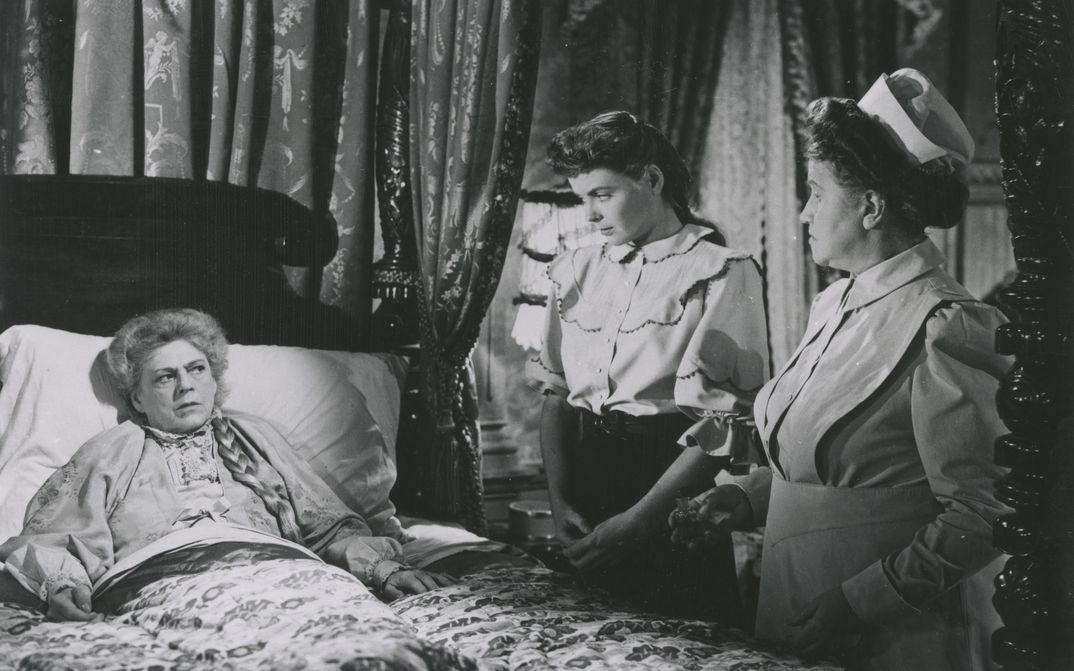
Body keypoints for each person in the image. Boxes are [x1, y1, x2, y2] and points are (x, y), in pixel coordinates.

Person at [670, 69, 1010, 669]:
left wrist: (859, 603)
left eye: (817, 193)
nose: (803, 213)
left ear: (872, 208)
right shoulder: (835, 302)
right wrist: (746, 499)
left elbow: (982, 516)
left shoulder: (947, 326)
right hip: (794, 601)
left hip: (890, 633)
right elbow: (845, 471)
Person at [0, 308, 454, 621]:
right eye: (165, 376)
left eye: (197, 370)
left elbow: (327, 528)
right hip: (170, 585)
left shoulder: (257, 438)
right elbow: (54, 539)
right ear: (137, 396)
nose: (185, 386)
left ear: (214, 379)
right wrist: (61, 588)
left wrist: (384, 569)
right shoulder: (113, 450)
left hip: (293, 576)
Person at [526, 110, 770, 623]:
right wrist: (559, 499)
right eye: (580, 197)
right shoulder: (573, 265)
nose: (588, 214)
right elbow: (555, 394)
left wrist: (639, 523)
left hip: (670, 488)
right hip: (586, 483)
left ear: (652, 180)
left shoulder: (722, 271)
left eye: (602, 194)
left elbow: (725, 424)